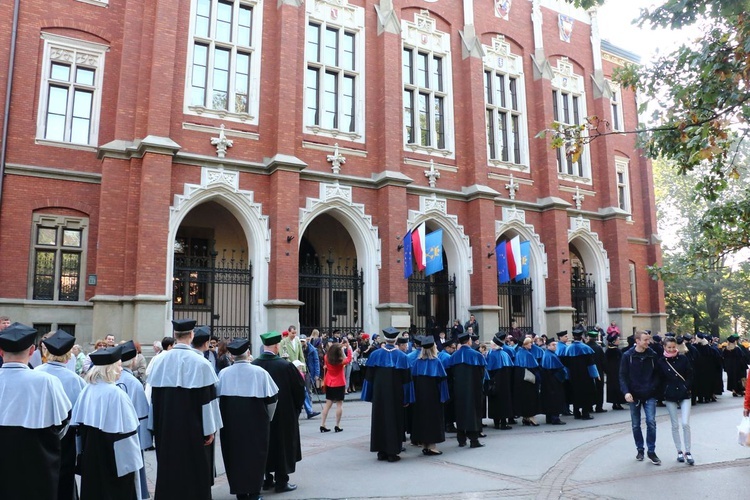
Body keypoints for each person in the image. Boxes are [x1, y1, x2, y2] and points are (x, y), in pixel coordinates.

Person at [148, 318, 223, 500]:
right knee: (194, 471)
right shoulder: (201, 363)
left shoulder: (159, 361)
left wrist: (152, 427)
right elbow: (208, 400)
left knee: (168, 469)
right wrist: (210, 429)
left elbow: (153, 399)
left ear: (175, 336)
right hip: (193, 429)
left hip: (165, 427)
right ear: (191, 335)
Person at [0, 323, 72, 500]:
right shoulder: (47, 381)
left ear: (1, 352)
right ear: (32, 351)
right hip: (37, 459)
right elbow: (64, 420)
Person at [72, 344, 143, 499]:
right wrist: (133, 468)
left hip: (92, 456)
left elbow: (79, 429)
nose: (121, 369)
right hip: (115, 460)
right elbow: (128, 435)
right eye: (118, 366)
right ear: (109, 368)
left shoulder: (87, 390)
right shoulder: (117, 394)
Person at [218, 339, 279, 500]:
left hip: (231, 424)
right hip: (257, 422)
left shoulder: (223, 374)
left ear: (231, 356)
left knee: (234, 455)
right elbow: (273, 399)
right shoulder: (259, 373)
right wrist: (268, 419)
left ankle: (239, 491)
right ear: (248, 353)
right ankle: (254, 491)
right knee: (256, 455)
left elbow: (217, 401)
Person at [36, 330, 87, 500]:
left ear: (46, 352)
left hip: (38, 431)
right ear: (68, 356)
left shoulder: (35, 373)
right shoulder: (76, 380)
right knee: (65, 474)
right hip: (66, 435)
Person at [252, 331, 306, 493]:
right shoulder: (285, 366)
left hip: (260, 414)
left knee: (264, 444)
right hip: (284, 413)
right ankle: (282, 480)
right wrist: (296, 408)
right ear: (276, 346)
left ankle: (267, 478)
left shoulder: (254, 365)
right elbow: (299, 389)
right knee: (282, 444)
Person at [361, 327, 414, 462]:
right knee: (394, 420)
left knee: (380, 420)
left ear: (385, 339)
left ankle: (381, 451)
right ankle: (392, 452)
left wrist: (369, 395)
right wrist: (407, 398)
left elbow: (369, 377)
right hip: (396, 395)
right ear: (396, 339)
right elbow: (407, 381)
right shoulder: (402, 356)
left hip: (379, 395)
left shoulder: (375, 355)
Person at [620, 330, 662, 465]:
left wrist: (654, 387)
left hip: (649, 393)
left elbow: (657, 374)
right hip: (634, 394)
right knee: (635, 425)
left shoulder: (652, 355)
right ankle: (640, 449)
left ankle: (651, 451)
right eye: (645, 340)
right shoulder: (627, 356)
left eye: (648, 339)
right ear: (637, 341)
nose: (648, 342)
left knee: (651, 422)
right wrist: (626, 392)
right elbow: (622, 375)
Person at [117, 341, 152, 499]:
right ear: (133, 361)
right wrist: (145, 442)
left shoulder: (112, 378)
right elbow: (141, 414)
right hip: (131, 434)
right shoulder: (134, 383)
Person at [444, 331, 487, 448]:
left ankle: (461, 439)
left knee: (460, 412)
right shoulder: (477, 355)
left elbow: (450, 375)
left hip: (458, 391)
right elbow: (482, 374)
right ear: (469, 341)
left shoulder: (453, 356)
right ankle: (474, 439)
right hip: (474, 389)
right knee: (473, 412)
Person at [656, 336, 695, 465]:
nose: (672, 349)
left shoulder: (683, 359)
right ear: (664, 347)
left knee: (685, 423)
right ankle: (679, 450)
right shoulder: (661, 361)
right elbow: (659, 379)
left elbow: (690, 374)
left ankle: (688, 451)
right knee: (674, 425)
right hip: (670, 395)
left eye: (674, 347)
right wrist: (664, 391)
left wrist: (686, 387)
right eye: (669, 347)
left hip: (684, 394)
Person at [410, 336, 448, 455]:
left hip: (419, 397)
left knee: (422, 420)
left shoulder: (417, 362)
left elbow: (413, 381)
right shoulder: (436, 362)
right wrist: (444, 397)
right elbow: (442, 381)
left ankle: (425, 445)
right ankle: (431, 446)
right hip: (433, 397)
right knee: (432, 420)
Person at [559, 329, 599, 420]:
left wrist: (567, 376)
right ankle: (585, 413)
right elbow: (591, 364)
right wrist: (595, 375)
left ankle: (576, 413)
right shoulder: (586, 348)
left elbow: (566, 365)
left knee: (575, 393)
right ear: (581, 337)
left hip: (573, 376)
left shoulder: (568, 349)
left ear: (573, 337)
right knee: (585, 393)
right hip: (585, 376)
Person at [320, 338, 352, 432]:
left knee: (327, 404)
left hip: (329, 382)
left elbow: (332, 350)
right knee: (339, 405)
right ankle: (337, 425)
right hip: (339, 383)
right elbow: (349, 359)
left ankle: (322, 424)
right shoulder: (341, 361)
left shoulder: (326, 357)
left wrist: (339, 346)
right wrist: (348, 348)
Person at [486, 333, 514, 430]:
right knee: (504, 402)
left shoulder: (490, 354)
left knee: (494, 402)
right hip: (504, 383)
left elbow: (488, 368)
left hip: (493, 382)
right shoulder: (505, 354)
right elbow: (510, 369)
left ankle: (496, 423)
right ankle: (503, 423)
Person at [513, 337, 541, 426]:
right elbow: (534, 368)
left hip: (521, 380)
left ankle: (525, 417)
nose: (531, 344)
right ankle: (531, 417)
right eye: (529, 343)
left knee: (524, 399)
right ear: (525, 344)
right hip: (529, 380)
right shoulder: (528, 354)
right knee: (531, 398)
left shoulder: (518, 353)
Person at [540, 338, 567, 426]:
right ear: (548, 346)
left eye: (555, 344)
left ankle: (549, 417)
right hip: (554, 382)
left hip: (547, 382)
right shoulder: (551, 356)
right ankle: (555, 418)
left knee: (548, 399)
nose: (555, 346)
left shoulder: (547, 354)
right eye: (553, 345)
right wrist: (562, 377)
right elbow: (560, 369)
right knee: (555, 399)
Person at [585, 330, 607, 413]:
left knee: (589, 389)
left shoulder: (585, 347)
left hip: (587, 371)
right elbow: (603, 361)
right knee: (599, 389)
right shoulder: (598, 348)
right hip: (599, 371)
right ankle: (599, 407)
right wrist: (606, 371)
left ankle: (589, 406)